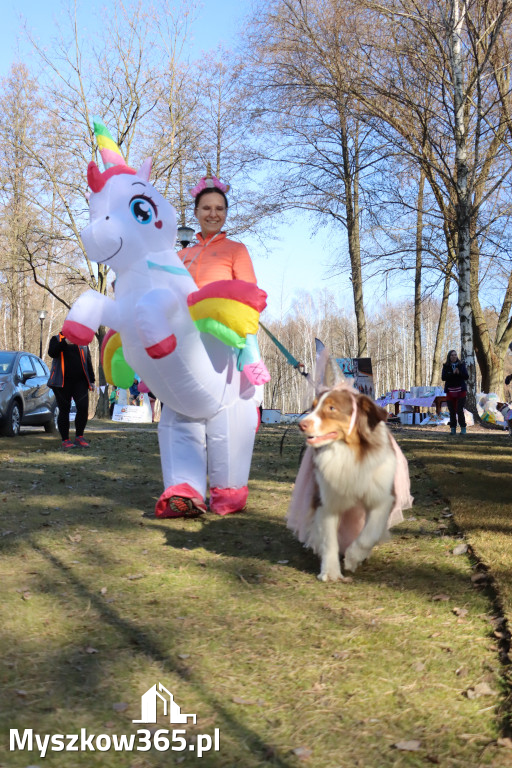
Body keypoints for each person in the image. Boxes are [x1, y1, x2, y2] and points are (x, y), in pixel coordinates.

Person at [154, 169, 263, 518]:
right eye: (206, 208)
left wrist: (248, 349)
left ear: (226, 212)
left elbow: (251, 299)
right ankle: (184, 490)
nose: (213, 213)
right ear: (196, 211)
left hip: (223, 346)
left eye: (219, 208)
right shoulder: (181, 256)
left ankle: (227, 490)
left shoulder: (236, 251)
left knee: (226, 417)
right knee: (180, 412)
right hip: (184, 349)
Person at [48, 331, 95, 448]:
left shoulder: (82, 342)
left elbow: (87, 361)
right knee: (64, 410)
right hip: (61, 382)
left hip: (81, 382)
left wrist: (92, 380)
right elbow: (52, 353)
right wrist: (64, 343)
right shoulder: (56, 339)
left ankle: (79, 437)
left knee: (83, 408)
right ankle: (65, 440)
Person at [441, 350, 469, 435]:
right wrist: (452, 373)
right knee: (452, 410)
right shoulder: (446, 366)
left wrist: (459, 372)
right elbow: (443, 378)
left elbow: (466, 376)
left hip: (461, 391)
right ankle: (453, 429)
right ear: (449, 357)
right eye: (452, 355)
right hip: (450, 391)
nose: (454, 356)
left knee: (459, 410)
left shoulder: (461, 365)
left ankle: (463, 429)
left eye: (455, 355)